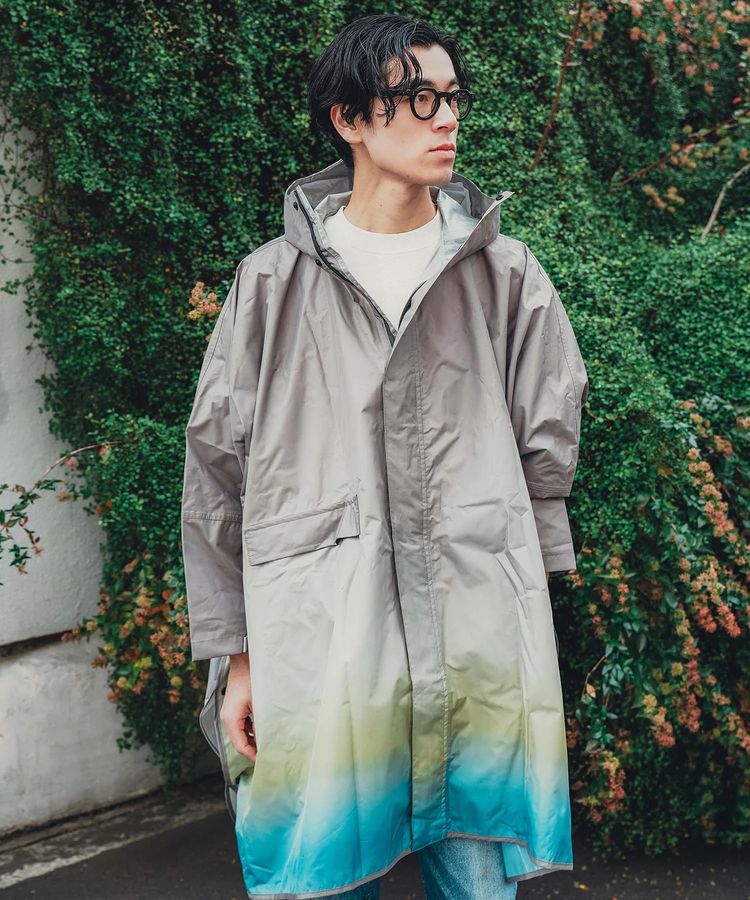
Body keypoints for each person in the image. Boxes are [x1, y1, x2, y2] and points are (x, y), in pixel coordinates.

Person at [181, 13, 589, 900]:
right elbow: (217, 474)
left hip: (477, 634)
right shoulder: (270, 285)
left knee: (478, 873)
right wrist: (236, 655)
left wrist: (529, 584)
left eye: (452, 97)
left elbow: (547, 442)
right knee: (325, 873)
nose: (447, 118)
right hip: (321, 633)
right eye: (418, 98)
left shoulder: (505, 275)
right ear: (350, 119)